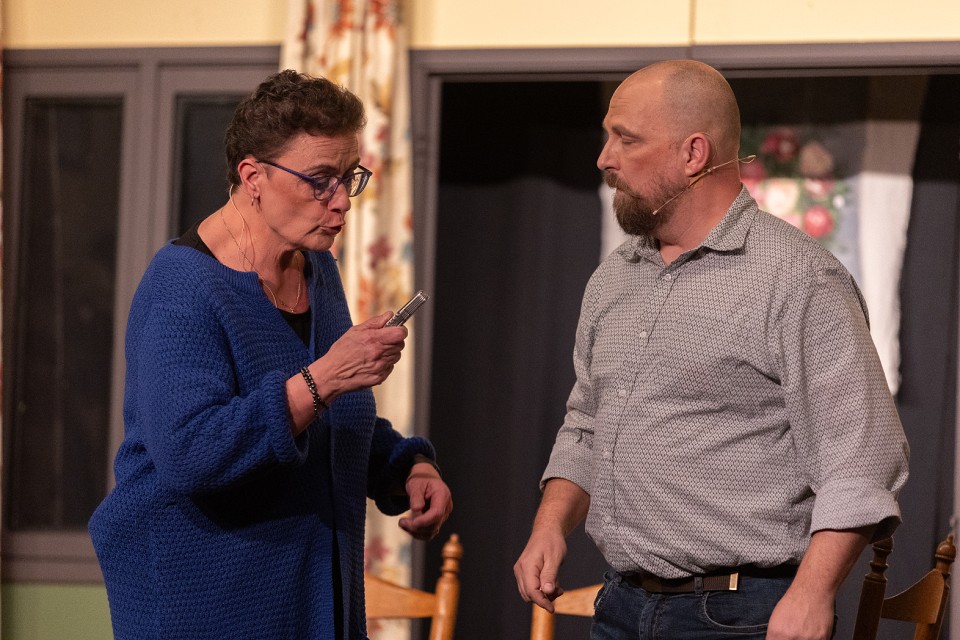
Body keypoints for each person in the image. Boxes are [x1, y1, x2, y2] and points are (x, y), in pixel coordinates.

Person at [513, 59, 908, 640]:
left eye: (626, 138)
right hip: (620, 605)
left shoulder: (797, 278)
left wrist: (812, 594)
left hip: (739, 615)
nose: (604, 158)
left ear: (693, 153)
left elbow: (862, 457)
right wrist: (550, 525)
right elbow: (587, 425)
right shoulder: (613, 278)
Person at [89, 69, 453, 640]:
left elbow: (327, 418)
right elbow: (191, 453)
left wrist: (405, 467)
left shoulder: (316, 268)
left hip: (311, 597)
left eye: (349, 178)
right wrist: (324, 378)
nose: (342, 202)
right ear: (253, 176)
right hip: (206, 606)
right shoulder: (182, 286)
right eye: (320, 181)